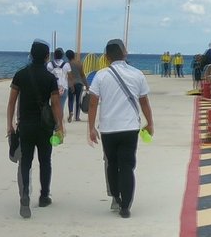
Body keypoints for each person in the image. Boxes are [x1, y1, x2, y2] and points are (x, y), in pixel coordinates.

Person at [87, 38, 154, 218]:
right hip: (130, 127)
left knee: (112, 164)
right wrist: (150, 123)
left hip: (108, 129)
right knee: (127, 165)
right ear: (124, 53)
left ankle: (116, 197)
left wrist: (91, 128)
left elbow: (92, 103)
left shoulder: (100, 75)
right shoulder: (137, 74)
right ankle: (126, 206)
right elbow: (144, 102)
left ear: (107, 57)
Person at [6, 39, 65, 218]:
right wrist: (60, 127)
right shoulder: (50, 78)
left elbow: (11, 102)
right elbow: (55, 104)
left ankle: (25, 195)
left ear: (31, 55)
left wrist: (10, 125)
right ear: (47, 57)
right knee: (45, 160)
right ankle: (44, 195)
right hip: (44, 127)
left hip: (25, 125)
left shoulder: (20, 75)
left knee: (26, 162)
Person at [50, 47, 70, 117]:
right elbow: (70, 76)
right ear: (62, 55)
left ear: (54, 55)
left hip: (53, 88)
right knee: (61, 107)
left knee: (53, 106)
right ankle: (60, 124)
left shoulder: (50, 64)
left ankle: (54, 123)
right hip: (64, 87)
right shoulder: (66, 65)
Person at [66, 49, 85, 121]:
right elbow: (82, 75)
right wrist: (87, 85)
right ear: (74, 55)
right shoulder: (79, 63)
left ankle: (71, 111)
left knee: (70, 100)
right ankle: (77, 117)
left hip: (71, 84)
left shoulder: (67, 65)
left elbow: (66, 75)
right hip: (79, 84)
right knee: (78, 100)